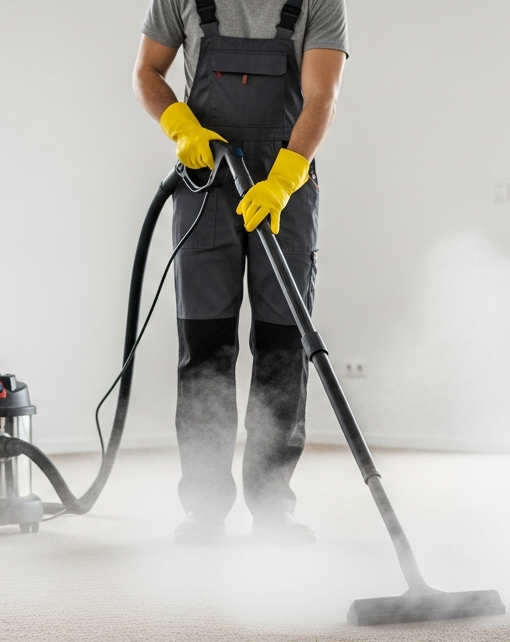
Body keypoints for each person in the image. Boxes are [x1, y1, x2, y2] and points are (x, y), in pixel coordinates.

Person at [133, 0, 348, 544]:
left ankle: (273, 508)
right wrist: (180, 125)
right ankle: (204, 511)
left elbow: (322, 95)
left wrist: (286, 177)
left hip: (285, 180)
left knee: (282, 347)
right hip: (206, 180)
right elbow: (147, 72)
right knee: (205, 347)